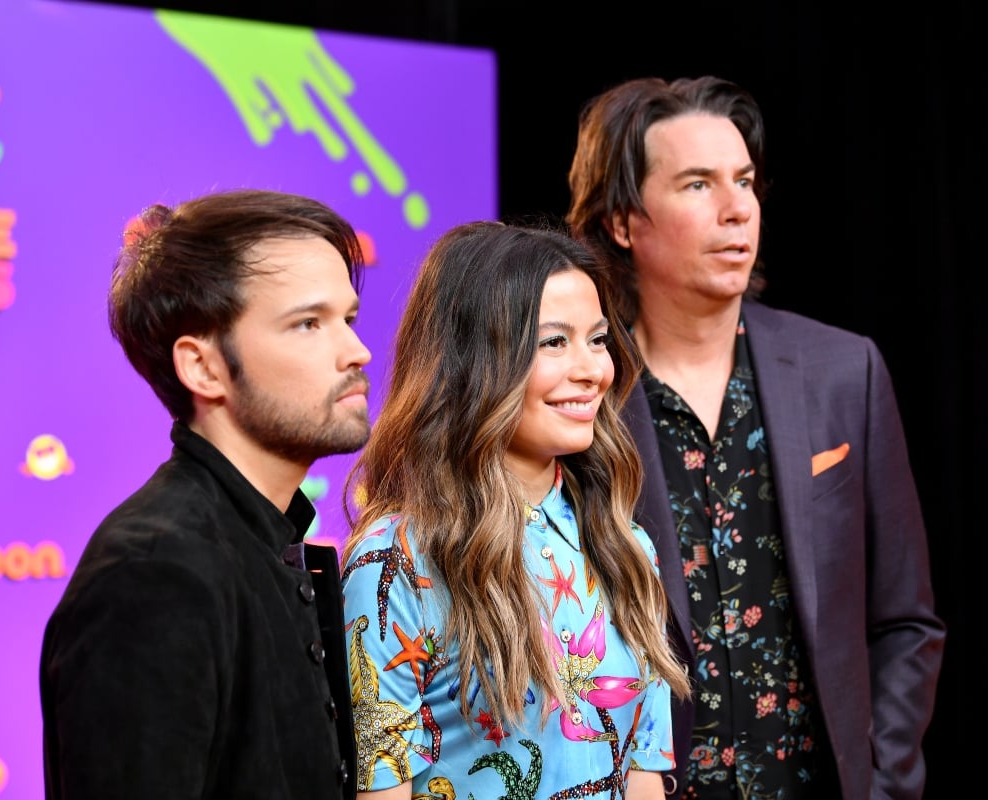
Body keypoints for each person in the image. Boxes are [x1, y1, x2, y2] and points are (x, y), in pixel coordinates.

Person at [565, 75, 945, 799]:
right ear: (622, 222)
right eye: (698, 185)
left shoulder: (843, 371)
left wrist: (884, 783)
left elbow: (905, 620)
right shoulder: (584, 393)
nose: (738, 209)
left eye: (745, 180)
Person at [339, 220, 691, 800]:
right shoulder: (395, 561)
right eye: (554, 341)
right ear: (472, 362)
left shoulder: (626, 546)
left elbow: (643, 775)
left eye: (598, 339)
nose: (591, 370)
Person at [39, 189, 371, 799]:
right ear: (203, 368)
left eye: (347, 319)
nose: (357, 351)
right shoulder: (155, 570)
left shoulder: (268, 541)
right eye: (307, 324)